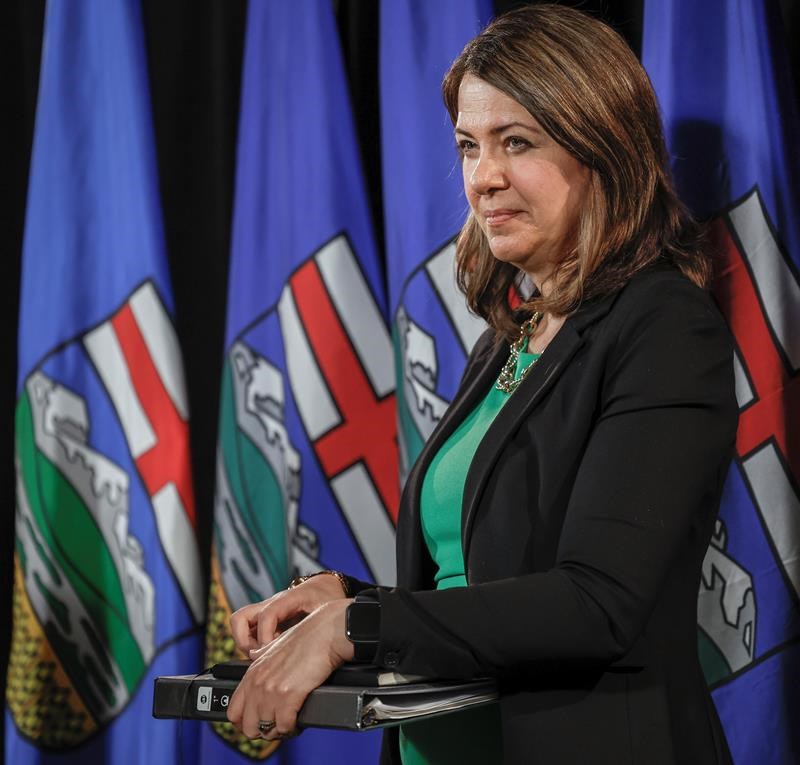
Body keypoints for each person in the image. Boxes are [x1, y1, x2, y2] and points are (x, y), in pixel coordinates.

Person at [226, 5, 738, 763]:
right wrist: (349, 602)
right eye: (469, 146)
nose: (482, 177)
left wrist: (358, 628)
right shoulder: (508, 335)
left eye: (516, 143)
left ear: (603, 148)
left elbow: (594, 603)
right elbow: (485, 583)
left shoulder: (664, 327)